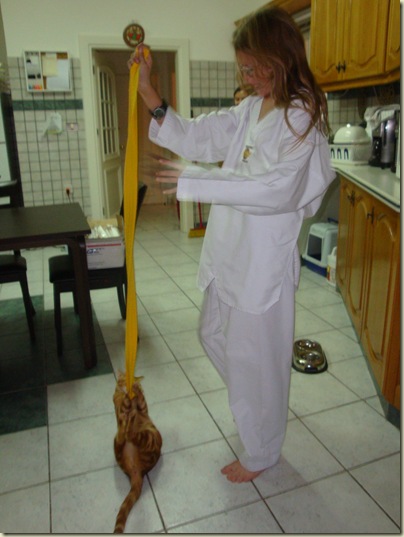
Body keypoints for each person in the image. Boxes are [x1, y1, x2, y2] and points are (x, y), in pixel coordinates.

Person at [130, 6, 335, 483]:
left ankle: (262, 449)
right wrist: (148, 91)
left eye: (253, 68)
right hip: (230, 254)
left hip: (262, 263)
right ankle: (257, 406)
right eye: (243, 69)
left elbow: (277, 190)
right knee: (214, 336)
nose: (246, 77)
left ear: (279, 59)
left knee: (255, 359)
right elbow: (200, 135)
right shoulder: (251, 108)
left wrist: (198, 181)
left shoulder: (301, 116)